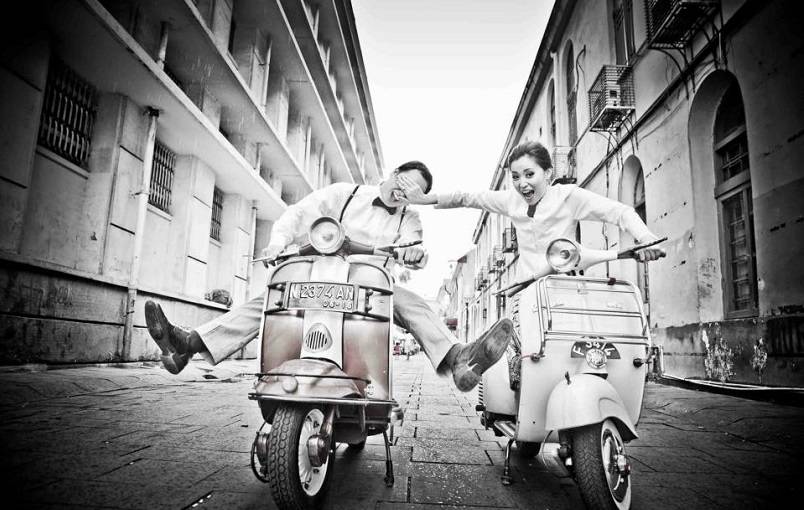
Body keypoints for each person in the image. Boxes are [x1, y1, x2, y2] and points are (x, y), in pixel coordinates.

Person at [144, 161, 513, 392]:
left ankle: (460, 359)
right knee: (272, 297)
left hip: (371, 288)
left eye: (415, 191)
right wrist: (277, 244)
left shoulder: (409, 219)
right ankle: (186, 344)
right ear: (392, 173)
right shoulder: (344, 193)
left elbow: (415, 251)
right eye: (404, 180)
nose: (405, 190)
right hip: (316, 277)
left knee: (411, 303)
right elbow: (297, 213)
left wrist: (416, 255)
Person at [396, 140, 665, 280]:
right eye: (515, 176)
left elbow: (621, 212)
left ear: (548, 173)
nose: (521, 183)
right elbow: (467, 197)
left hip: (565, 284)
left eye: (529, 174)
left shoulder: (568, 196)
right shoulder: (510, 200)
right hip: (527, 291)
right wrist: (424, 200)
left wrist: (645, 238)